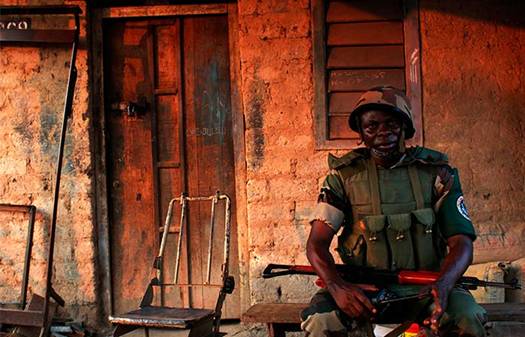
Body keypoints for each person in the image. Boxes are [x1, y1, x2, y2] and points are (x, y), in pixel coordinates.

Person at [301, 87, 487, 337]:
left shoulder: (437, 174)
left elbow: (461, 242)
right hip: (364, 289)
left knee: (467, 318)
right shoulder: (343, 178)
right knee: (320, 322)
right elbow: (317, 243)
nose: (383, 133)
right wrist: (337, 286)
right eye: (372, 126)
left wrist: (444, 284)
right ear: (361, 132)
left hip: (426, 286)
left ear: (405, 126)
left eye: (391, 124)